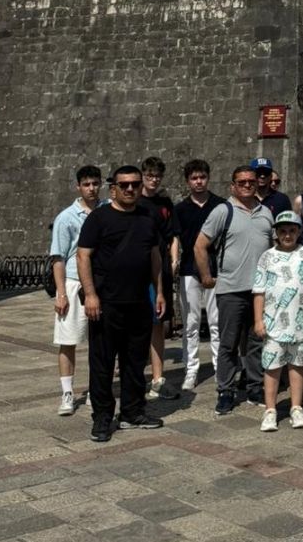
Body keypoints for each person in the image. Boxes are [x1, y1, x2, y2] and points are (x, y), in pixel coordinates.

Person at [76, 166, 166, 443]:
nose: (130, 189)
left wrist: (159, 292)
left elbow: (155, 257)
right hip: (107, 302)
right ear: (113, 188)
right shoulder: (99, 218)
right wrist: (90, 295)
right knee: (102, 363)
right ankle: (103, 417)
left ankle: (132, 412)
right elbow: (83, 256)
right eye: (124, 185)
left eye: (135, 184)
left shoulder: (148, 217)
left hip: (138, 300)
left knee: (135, 361)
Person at [194, 166, 275, 417]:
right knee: (228, 343)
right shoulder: (223, 211)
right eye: (242, 182)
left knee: (256, 341)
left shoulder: (266, 213)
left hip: (260, 291)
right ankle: (225, 391)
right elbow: (200, 245)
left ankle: (254, 387)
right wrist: (206, 276)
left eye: (251, 181)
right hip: (231, 289)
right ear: (233, 186)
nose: (247, 185)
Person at [252, 210, 303, 432]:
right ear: (276, 234)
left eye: (292, 230)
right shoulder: (267, 256)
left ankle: (296, 407)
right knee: (272, 366)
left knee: (297, 365)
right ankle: (270, 410)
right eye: (283, 231)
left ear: (299, 232)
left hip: (301, 322)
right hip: (273, 323)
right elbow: (259, 290)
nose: (287, 235)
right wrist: (258, 320)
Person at [49, 165, 103, 415]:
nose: (91, 188)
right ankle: (67, 393)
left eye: (95, 183)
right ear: (78, 187)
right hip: (73, 282)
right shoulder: (66, 217)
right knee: (68, 340)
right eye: (86, 184)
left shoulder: (107, 211)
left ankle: (96, 388)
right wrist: (61, 293)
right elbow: (58, 257)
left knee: (100, 341)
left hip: (101, 281)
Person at [169, 159, 224, 391]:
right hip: (189, 269)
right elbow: (175, 238)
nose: (199, 182)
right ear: (187, 181)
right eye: (194, 178)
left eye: (202, 177)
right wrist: (174, 261)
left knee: (216, 321)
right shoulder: (180, 209)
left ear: (208, 178)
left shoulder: (220, 205)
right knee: (190, 323)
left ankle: (219, 367)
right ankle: (191, 369)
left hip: (215, 268)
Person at [139, 156, 177, 401]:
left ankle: (157, 377)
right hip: (137, 269)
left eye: (157, 176)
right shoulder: (134, 200)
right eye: (149, 176)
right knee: (134, 323)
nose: (153, 180)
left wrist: (173, 260)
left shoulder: (165, 203)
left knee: (157, 323)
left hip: (160, 267)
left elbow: (173, 235)